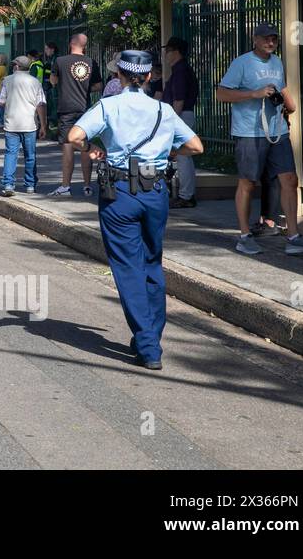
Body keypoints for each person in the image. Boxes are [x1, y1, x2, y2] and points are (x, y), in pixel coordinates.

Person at [67, 50, 204, 370]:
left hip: (120, 193)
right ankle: (152, 332)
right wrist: (169, 152)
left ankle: (147, 343)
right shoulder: (164, 109)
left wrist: (92, 149)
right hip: (155, 191)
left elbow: (75, 136)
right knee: (152, 262)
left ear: (120, 76)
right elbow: (196, 147)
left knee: (128, 267)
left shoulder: (109, 105)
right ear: (147, 78)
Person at [216, 23, 303, 256]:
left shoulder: (277, 61)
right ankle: (244, 236)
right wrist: (252, 94)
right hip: (249, 133)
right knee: (248, 182)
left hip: (277, 131)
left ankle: (293, 236)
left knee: (289, 179)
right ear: (255, 39)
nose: (270, 42)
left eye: (273, 38)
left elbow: (281, 89)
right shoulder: (241, 63)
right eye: (265, 38)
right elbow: (221, 93)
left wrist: (289, 103)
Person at [49, 33, 102, 198]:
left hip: (65, 108)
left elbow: (53, 81)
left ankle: (66, 186)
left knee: (68, 145)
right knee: (84, 145)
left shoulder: (59, 61)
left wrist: (65, 83)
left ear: (71, 42)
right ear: (84, 45)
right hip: (84, 108)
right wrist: (84, 89)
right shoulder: (91, 63)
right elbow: (99, 85)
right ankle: (87, 185)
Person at [160, 37, 200, 209]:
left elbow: (179, 100)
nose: (165, 54)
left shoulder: (181, 71)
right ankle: (185, 194)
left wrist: (171, 121)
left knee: (183, 157)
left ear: (175, 51)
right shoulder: (180, 70)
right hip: (182, 115)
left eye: (167, 50)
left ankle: (186, 196)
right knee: (183, 156)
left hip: (181, 115)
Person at [0, 55, 46, 196]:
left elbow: (1, 101)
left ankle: (8, 184)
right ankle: (30, 185)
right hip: (29, 124)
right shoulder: (35, 82)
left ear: (17, 67)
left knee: (10, 154)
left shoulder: (7, 80)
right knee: (30, 155)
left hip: (11, 124)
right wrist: (43, 125)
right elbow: (41, 104)